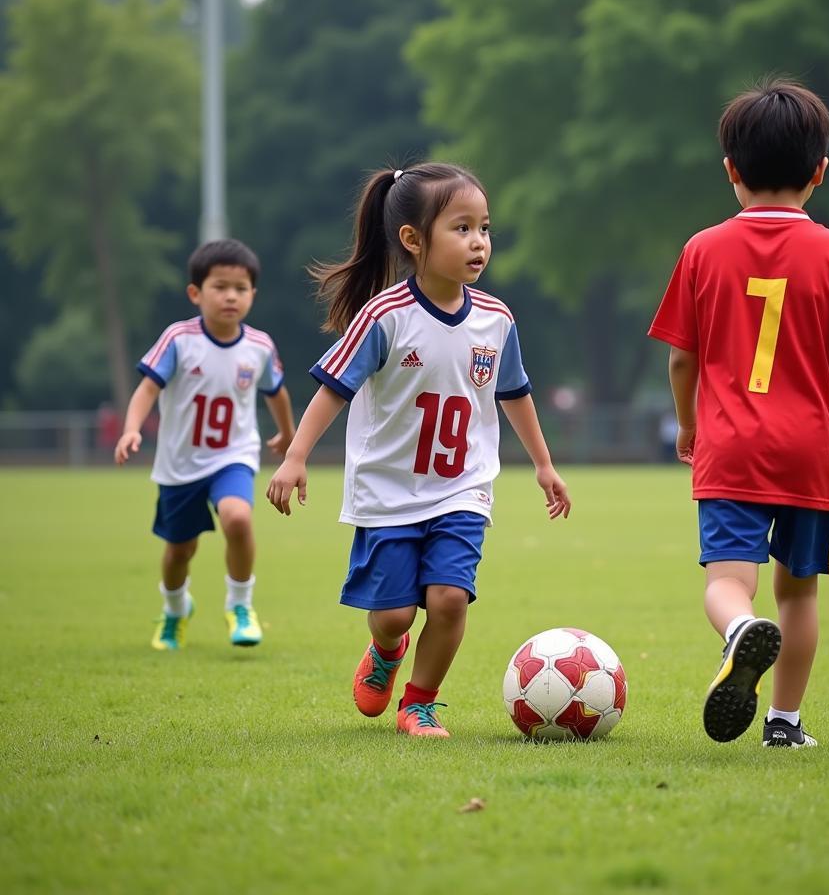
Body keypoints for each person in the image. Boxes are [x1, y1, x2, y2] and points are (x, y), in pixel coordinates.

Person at [267, 162, 571, 738]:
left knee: (451, 598)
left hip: (462, 489)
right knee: (392, 615)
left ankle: (420, 703)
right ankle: (386, 652)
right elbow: (333, 390)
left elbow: (516, 393)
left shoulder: (497, 320)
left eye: (484, 228)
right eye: (461, 228)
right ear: (413, 240)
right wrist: (296, 456)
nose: (478, 241)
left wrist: (544, 465)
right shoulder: (384, 317)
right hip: (388, 492)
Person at [648, 78, 829, 748]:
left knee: (728, 582)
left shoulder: (702, 249)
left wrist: (688, 423)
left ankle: (738, 630)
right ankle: (785, 726)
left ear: (731, 171)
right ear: (820, 172)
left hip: (730, 448)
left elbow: (682, 359)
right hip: (809, 451)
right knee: (798, 595)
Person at [115, 239, 295, 651]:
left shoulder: (260, 346)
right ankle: (176, 609)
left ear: (253, 294)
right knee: (180, 551)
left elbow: (277, 392)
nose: (230, 295)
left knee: (238, 518)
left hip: (233, 455)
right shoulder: (179, 340)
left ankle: (240, 605)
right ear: (196, 293)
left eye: (240, 287)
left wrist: (288, 434)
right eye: (220, 286)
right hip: (180, 464)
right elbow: (146, 389)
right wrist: (131, 429)